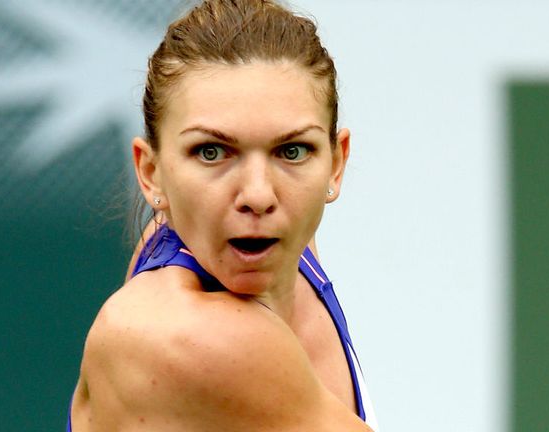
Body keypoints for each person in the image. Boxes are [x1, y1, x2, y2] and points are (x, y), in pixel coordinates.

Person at [68, 0, 378, 430]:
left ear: (334, 163)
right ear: (151, 173)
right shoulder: (180, 336)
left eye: (291, 151)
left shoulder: (242, 232)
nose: (257, 194)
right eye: (211, 152)